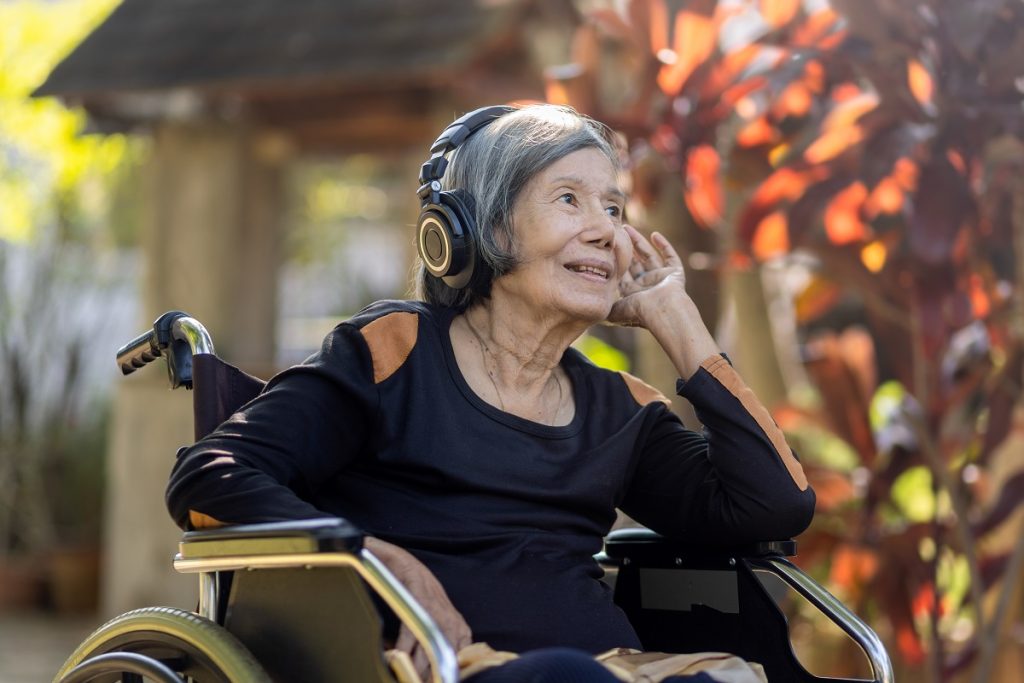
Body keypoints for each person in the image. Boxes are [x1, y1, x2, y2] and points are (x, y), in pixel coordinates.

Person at [166, 104, 815, 682]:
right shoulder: (395, 353)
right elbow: (209, 475)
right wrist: (375, 556)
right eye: (569, 199)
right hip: (440, 665)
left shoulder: (621, 408)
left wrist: (678, 319)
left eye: (613, 208)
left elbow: (773, 505)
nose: (606, 231)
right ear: (485, 228)